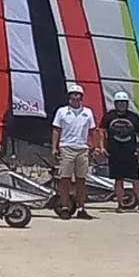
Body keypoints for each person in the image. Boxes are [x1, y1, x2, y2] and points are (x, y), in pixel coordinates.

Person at [99, 91, 139, 213]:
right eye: (119, 103)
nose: (121, 105)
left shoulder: (133, 117)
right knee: (118, 179)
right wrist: (102, 147)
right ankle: (120, 204)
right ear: (115, 103)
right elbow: (101, 132)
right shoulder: (109, 116)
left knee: (136, 179)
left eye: (123, 103)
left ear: (127, 103)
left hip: (130, 151)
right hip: (114, 152)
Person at [51, 83, 98, 220]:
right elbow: (56, 130)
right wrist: (54, 147)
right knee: (64, 179)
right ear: (69, 97)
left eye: (78, 95)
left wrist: (94, 147)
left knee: (81, 180)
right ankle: (65, 207)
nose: (75, 97)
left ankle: (81, 208)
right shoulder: (62, 111)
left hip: (82, 148)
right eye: (73, 94)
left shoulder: (87, 112)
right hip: (66, 147)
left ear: (81, 97)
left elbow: (92, 131)